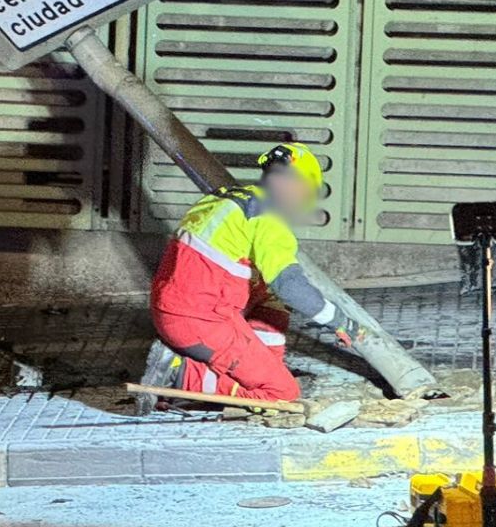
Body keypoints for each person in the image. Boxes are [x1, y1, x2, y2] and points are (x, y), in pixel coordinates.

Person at [142, 143, 365, 406]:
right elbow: (290, 285)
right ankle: (181, 373)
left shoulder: (224, 197)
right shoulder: (267, 218)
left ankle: (265, 367)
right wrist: (338, 320)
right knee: (283, 394)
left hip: (173, 310)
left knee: (268, 292)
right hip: (200, 322)